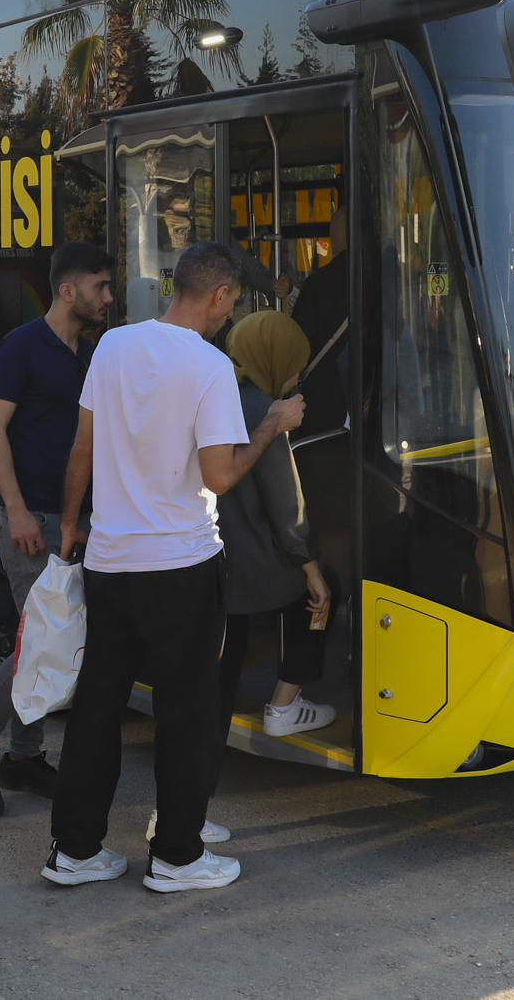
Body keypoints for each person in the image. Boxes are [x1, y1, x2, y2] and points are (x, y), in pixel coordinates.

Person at [45, 242, 302, 894]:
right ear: (219, 295)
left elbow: (81, 447)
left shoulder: (113, 346)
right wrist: (271, 425)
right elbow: (220, 475)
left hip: (110, 560)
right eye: (233, 302)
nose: (231, 314)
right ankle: (177, 857)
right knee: (187, 712)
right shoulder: (210, 367)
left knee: (97, 707)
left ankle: (74, 850)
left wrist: (71, 524)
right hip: (182, 566)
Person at [0, 241, 112, 818]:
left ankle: (23, 756)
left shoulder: (87, 353)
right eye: (100, 286)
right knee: (39, 643)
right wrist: (14, 510)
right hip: (32, 517)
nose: (108, 297)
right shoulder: (21, 346)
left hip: (74, 520)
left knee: (51, 642)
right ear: (68, 290)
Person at [216, 312, 335, 759]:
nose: (297, 377)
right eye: (295, 367)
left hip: (209, 557)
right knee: (324, 593)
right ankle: (285, 704)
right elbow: (288, 511)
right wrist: (313, 569)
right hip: (252, 566)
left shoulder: (214, 393)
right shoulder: (267, 413)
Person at [290, 195, 350, 435]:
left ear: (335, 238)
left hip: (321, 403)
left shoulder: (318, 284)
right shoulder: (384, 278)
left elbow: (297, 347)